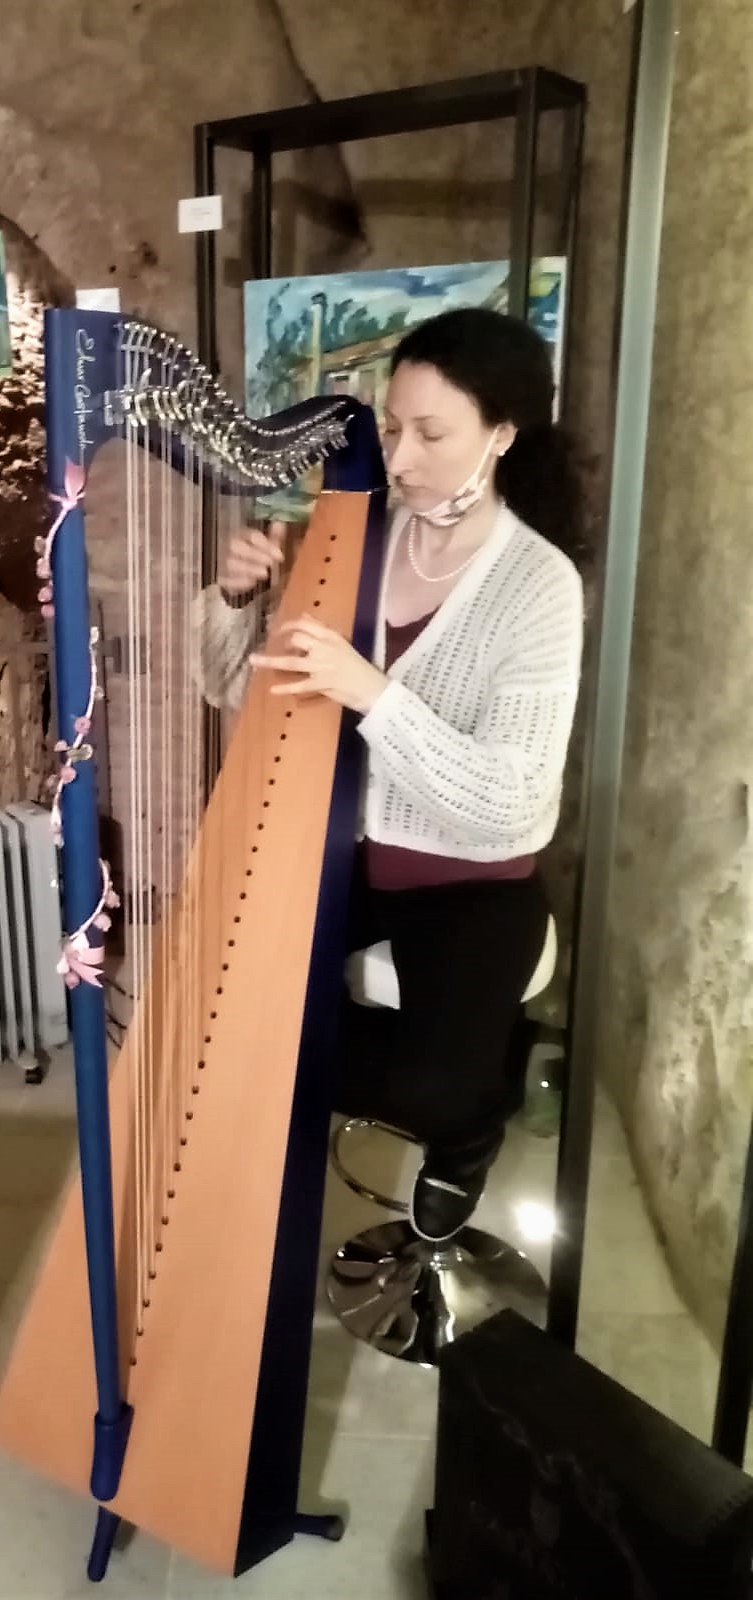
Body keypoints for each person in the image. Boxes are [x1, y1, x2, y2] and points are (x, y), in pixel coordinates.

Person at [193, 307, 586, 1244]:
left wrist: (373, 693)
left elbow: (512, 803)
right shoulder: (357, 540)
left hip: (469, 878)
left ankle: (469, 1127)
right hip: (340, 850)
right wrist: (237, 598)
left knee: (430, 1089)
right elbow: (231, 688)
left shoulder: (540, 586)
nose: (399, 458)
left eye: (430, 434)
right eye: (392, 427)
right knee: (225, 1011)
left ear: (501, 434)